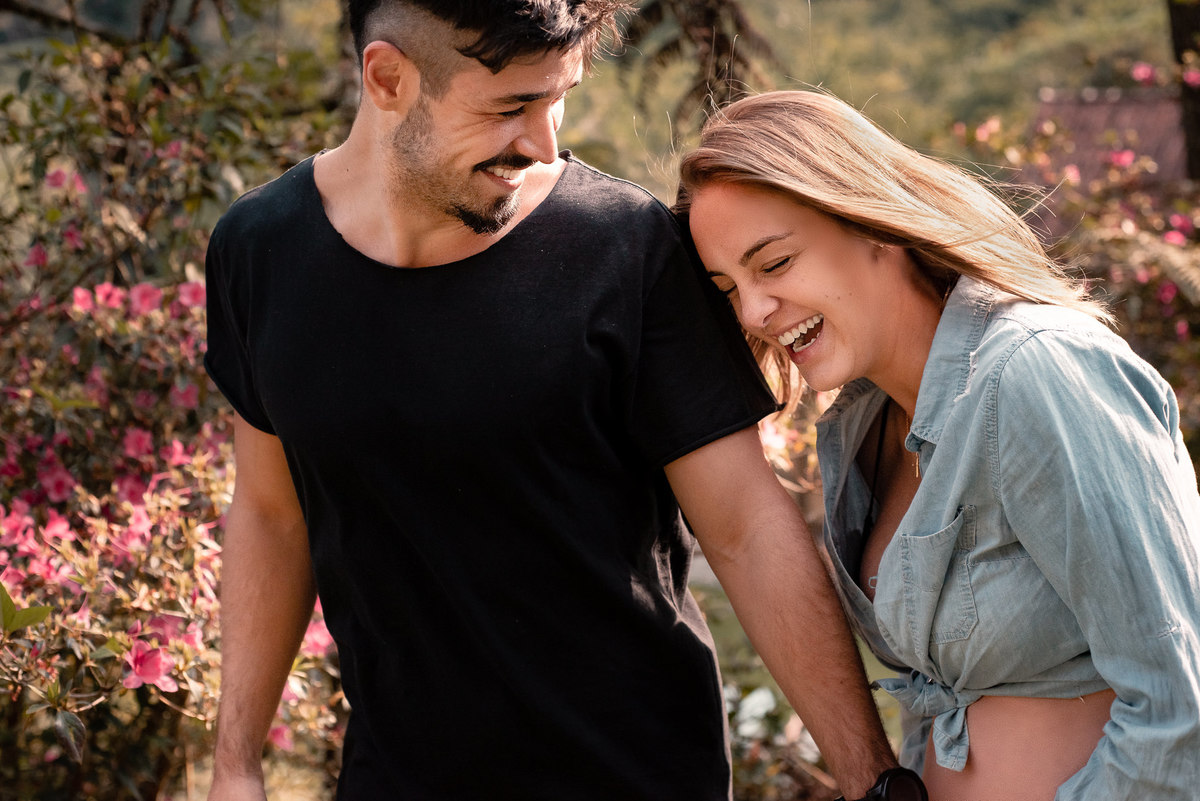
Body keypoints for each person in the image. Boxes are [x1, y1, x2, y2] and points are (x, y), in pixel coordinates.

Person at [202, 4, 907, 800]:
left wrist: (873, 780)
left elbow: (746, 527)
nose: (542, 142)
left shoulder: (622, 247)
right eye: (510, 108)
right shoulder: (259, 251)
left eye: (557, 98)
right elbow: (270, 511)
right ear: (388, 78)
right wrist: (236, 763)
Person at [676, 89, 1200, 800]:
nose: (755, 312)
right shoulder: (863, 426)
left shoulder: (1035, 372)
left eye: (773, 264)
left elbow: (1181, 707)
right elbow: (943, 695)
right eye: (728, 287)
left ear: (870, 223)